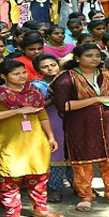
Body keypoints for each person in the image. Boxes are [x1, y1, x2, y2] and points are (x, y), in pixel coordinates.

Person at [0, 60, 65, 217]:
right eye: (16, 74)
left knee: (39, 177)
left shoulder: (34, 91)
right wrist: (17, 111)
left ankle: (41, 210)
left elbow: (42, 114)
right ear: (4, 76)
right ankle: (13, 216)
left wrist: (51, 137)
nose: (22, 77)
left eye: (23, 73)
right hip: (8, 143)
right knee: (10, 180)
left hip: (35, 142)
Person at [52, 44, 109, 212]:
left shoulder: (108, 75)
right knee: (82, 161)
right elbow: (63, 106)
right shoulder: (66, 78)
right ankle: (85, 195)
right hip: (82, 125)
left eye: (97, 55)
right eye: (89, 55)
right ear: (78, 58)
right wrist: (96, 100)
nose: (95, 58)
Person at [31, 54, 73, 203]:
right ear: (39, 70)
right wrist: (55, 98)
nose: (50, 68)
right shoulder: (37, 86)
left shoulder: (70, 79)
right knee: (56, 154)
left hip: (72, 118)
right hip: (51, 119)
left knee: (74, 152)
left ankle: (79, 185)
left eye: (53, 65)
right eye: (45, 67)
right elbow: (37, 106)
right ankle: (55, 188)